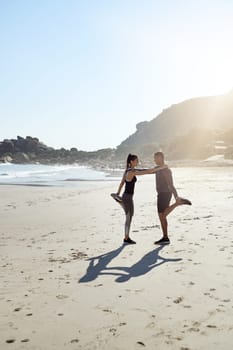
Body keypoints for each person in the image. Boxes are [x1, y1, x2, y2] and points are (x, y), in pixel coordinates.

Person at [111, 153, 167, 244]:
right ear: (131, 161)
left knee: (129, 216)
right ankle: (126, 238)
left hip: (126, 196)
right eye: (136, 160)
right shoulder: (131, 172)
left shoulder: (128, 171)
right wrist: (161, 167)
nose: (138, 161)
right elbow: (146, 172)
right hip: (128, 197)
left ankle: (119, 199)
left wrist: (118, 192)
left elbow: (122, 183)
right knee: (129, 217)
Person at [153, 151, 191, 245]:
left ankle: (177, 203)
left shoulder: (166, 170)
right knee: (162, 216)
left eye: (156, 158)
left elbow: (171, 184)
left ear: (161, 158)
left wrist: (176, 196)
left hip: (165, 194)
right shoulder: (158, 168)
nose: (154, 160)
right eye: (154, 158)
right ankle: (165, 237)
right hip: (161, 194)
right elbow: (147, 171)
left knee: (162, 215)